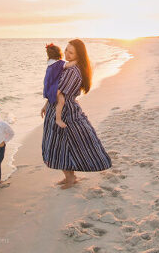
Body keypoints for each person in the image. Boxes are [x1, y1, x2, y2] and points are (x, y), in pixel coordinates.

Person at [41, 39, 112, 189]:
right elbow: (54, 89)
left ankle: (70, 179)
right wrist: (46, 104)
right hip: (58, 108)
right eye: (66, 50)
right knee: (61, 146)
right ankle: (70, 177)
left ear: (79, 55)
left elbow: (58, 91)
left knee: (65, 146)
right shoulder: (68, 68)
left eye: (71, 52)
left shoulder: (73, 71)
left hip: (66, 112)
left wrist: (50, 104)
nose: (66, 54)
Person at [41, 43, 66, 117]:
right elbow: (68, 65)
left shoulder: (50, 64)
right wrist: (77, 61)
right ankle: (58, 119)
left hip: (48, 87)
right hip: (54, 88)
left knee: (58, 100)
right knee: (61, 101)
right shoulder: (59, 64)